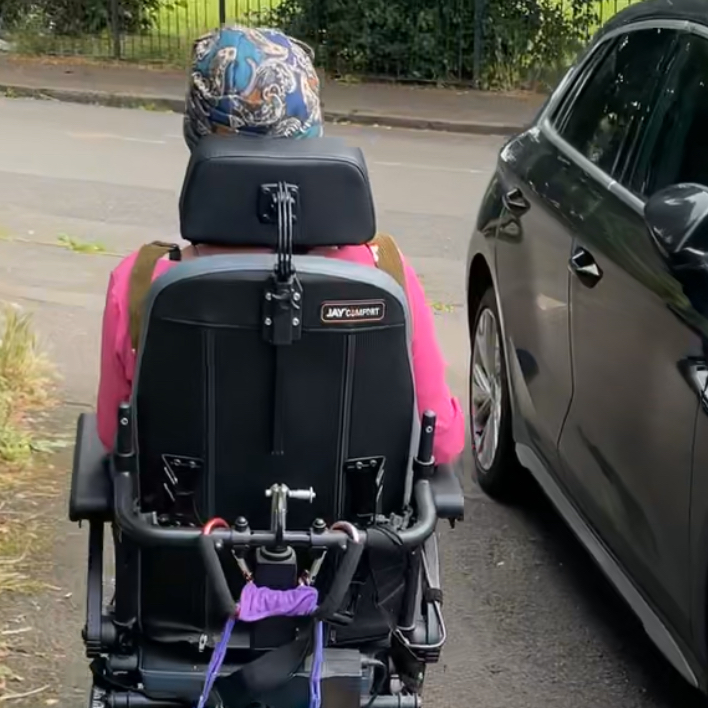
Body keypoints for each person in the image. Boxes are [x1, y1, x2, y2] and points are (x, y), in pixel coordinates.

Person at [95, 25, 467, 464]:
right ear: (312, 130)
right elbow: (441, 440)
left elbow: (115, 434)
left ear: (197, 138)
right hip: (351, 507)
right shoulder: (384, 273)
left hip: (185, 505)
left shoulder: (142, 282)